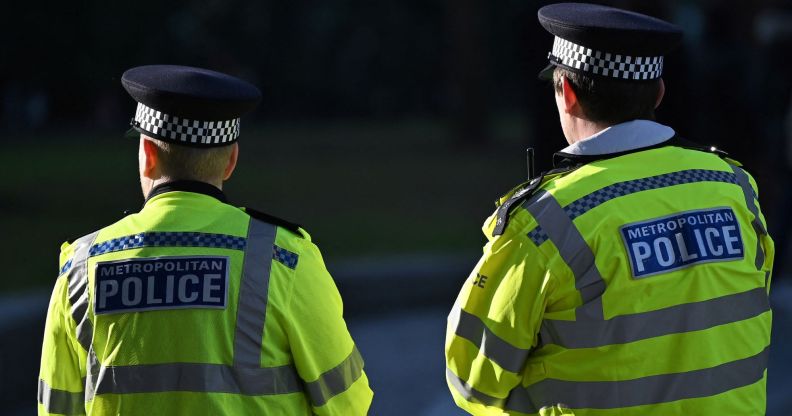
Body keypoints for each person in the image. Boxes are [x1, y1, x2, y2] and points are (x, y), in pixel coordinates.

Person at [445, 4, 773, 415]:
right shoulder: (735, 188)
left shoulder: (546, 222)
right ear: (658, 93)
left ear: (566, 93)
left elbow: (471, 380)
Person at [37, 65, 373, 415]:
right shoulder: (284, 258)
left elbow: (56, 408)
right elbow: (348, 403)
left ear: (148, 155)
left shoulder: (81, 268)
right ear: (230, 161)